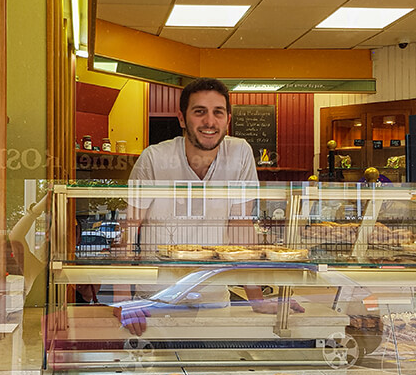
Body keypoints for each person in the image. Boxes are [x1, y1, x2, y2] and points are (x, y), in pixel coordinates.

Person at [114, 77, 303, 335]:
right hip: (155, 298)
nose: (209, 122)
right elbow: (128, 227)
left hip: (214, 293)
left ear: (228, 118)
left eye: (218, 112)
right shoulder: (154, 158)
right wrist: (123, 300)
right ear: (182, 119)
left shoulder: (239, 153)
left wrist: (256, 299)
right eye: (199, 112)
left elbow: (241, 228)